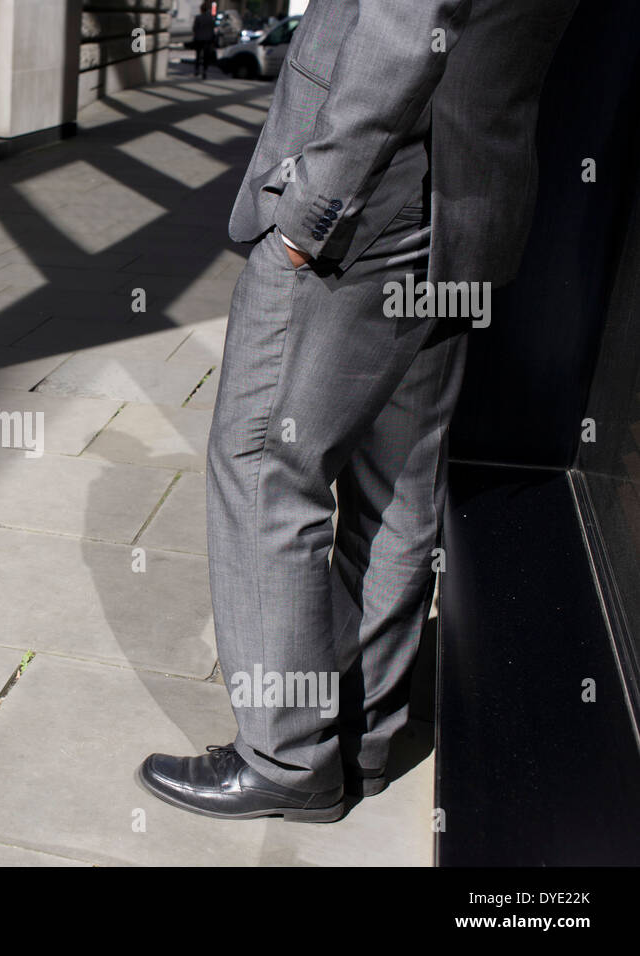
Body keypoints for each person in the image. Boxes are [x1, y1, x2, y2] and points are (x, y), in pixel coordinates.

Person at [139, 0, 580, 822]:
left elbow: (403, 25)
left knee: (265, 467)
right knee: (398, 487)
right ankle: (359, 738)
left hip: (372, 195)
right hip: (466, 206)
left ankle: (285, 757)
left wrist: (313, 207)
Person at [191, 3, 216, 78]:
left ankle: (197, 70)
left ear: (201, 10)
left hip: (199, 38)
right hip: (207, 39)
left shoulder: (198, 17)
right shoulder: (211, 18)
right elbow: (213, 28)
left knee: (198, 56)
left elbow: (194, 28)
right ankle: (204, 71)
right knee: (206, 57)